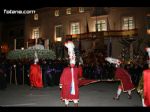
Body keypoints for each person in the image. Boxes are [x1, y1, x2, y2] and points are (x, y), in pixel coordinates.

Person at [59, 41, 80, 107]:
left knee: (66, 100)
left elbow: (62, 78)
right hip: (74, 86)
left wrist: (61, 84)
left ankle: (67, 104)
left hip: (67, 86)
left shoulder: (66, 69)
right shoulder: (76, 69)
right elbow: (77, 76)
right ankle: (75, 104)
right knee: (75, 100)